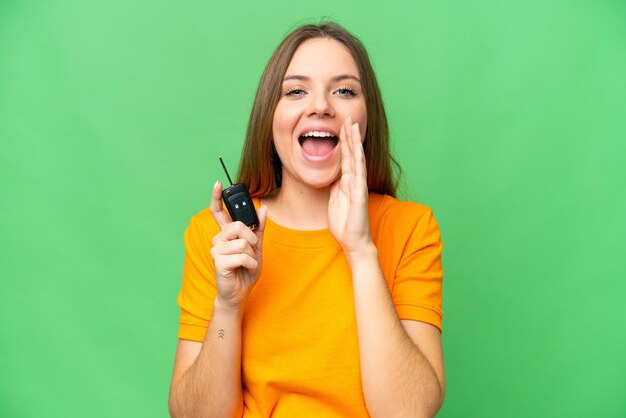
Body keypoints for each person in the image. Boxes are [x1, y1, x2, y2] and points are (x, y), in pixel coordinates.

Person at [169, 22, 445, 418]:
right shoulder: (218, 235)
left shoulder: (411, 228)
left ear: (367, 118)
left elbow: (408, 412)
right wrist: (228, 306)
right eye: (296, 91)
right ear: (270, 115)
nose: (321, 106)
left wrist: (361, 250)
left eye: (344, 90)